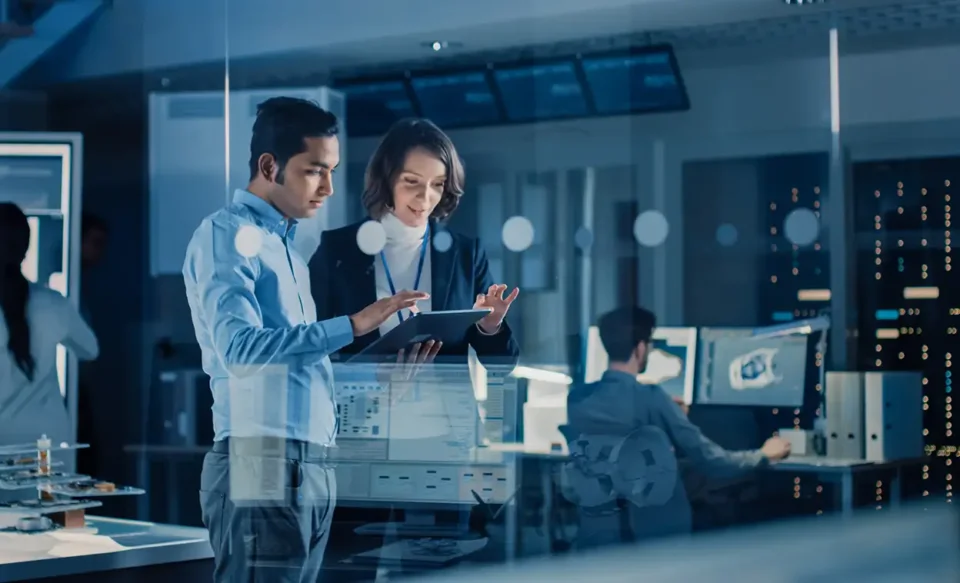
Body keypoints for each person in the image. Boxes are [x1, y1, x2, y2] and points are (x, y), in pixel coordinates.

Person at [182, 97, 426, 582]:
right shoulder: (224, 236)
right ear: (270, 166)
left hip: (312, 461)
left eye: (332, 171)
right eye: (315, 171)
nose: (328, 188)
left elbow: (294, 365)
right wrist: (352, 326)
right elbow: (241, 350)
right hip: (261, 460)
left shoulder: (288, 249)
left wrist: (377, 381)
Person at [563, 306, 791, 549]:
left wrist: (665, 417)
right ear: (640, 348)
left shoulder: (577, 400)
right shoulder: (651, 398)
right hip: (654, 539)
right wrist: (763, 455)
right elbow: (711, 460)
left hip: (599, 533)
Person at [310, 118, 520, 367]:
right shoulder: (337, 250)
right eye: (412, 181)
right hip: (366, 403)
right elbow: (310, 347)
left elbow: (503, 366)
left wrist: (490, 326)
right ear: (387, 179)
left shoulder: (465, 254)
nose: (425, 196)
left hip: (447, 404)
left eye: (438, 184)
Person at [0, 203, 99, 466]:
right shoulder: (53, 304)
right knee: (51, 506)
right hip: (47, 448)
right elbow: (90, 349)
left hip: (3, 445)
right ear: (25, 248)